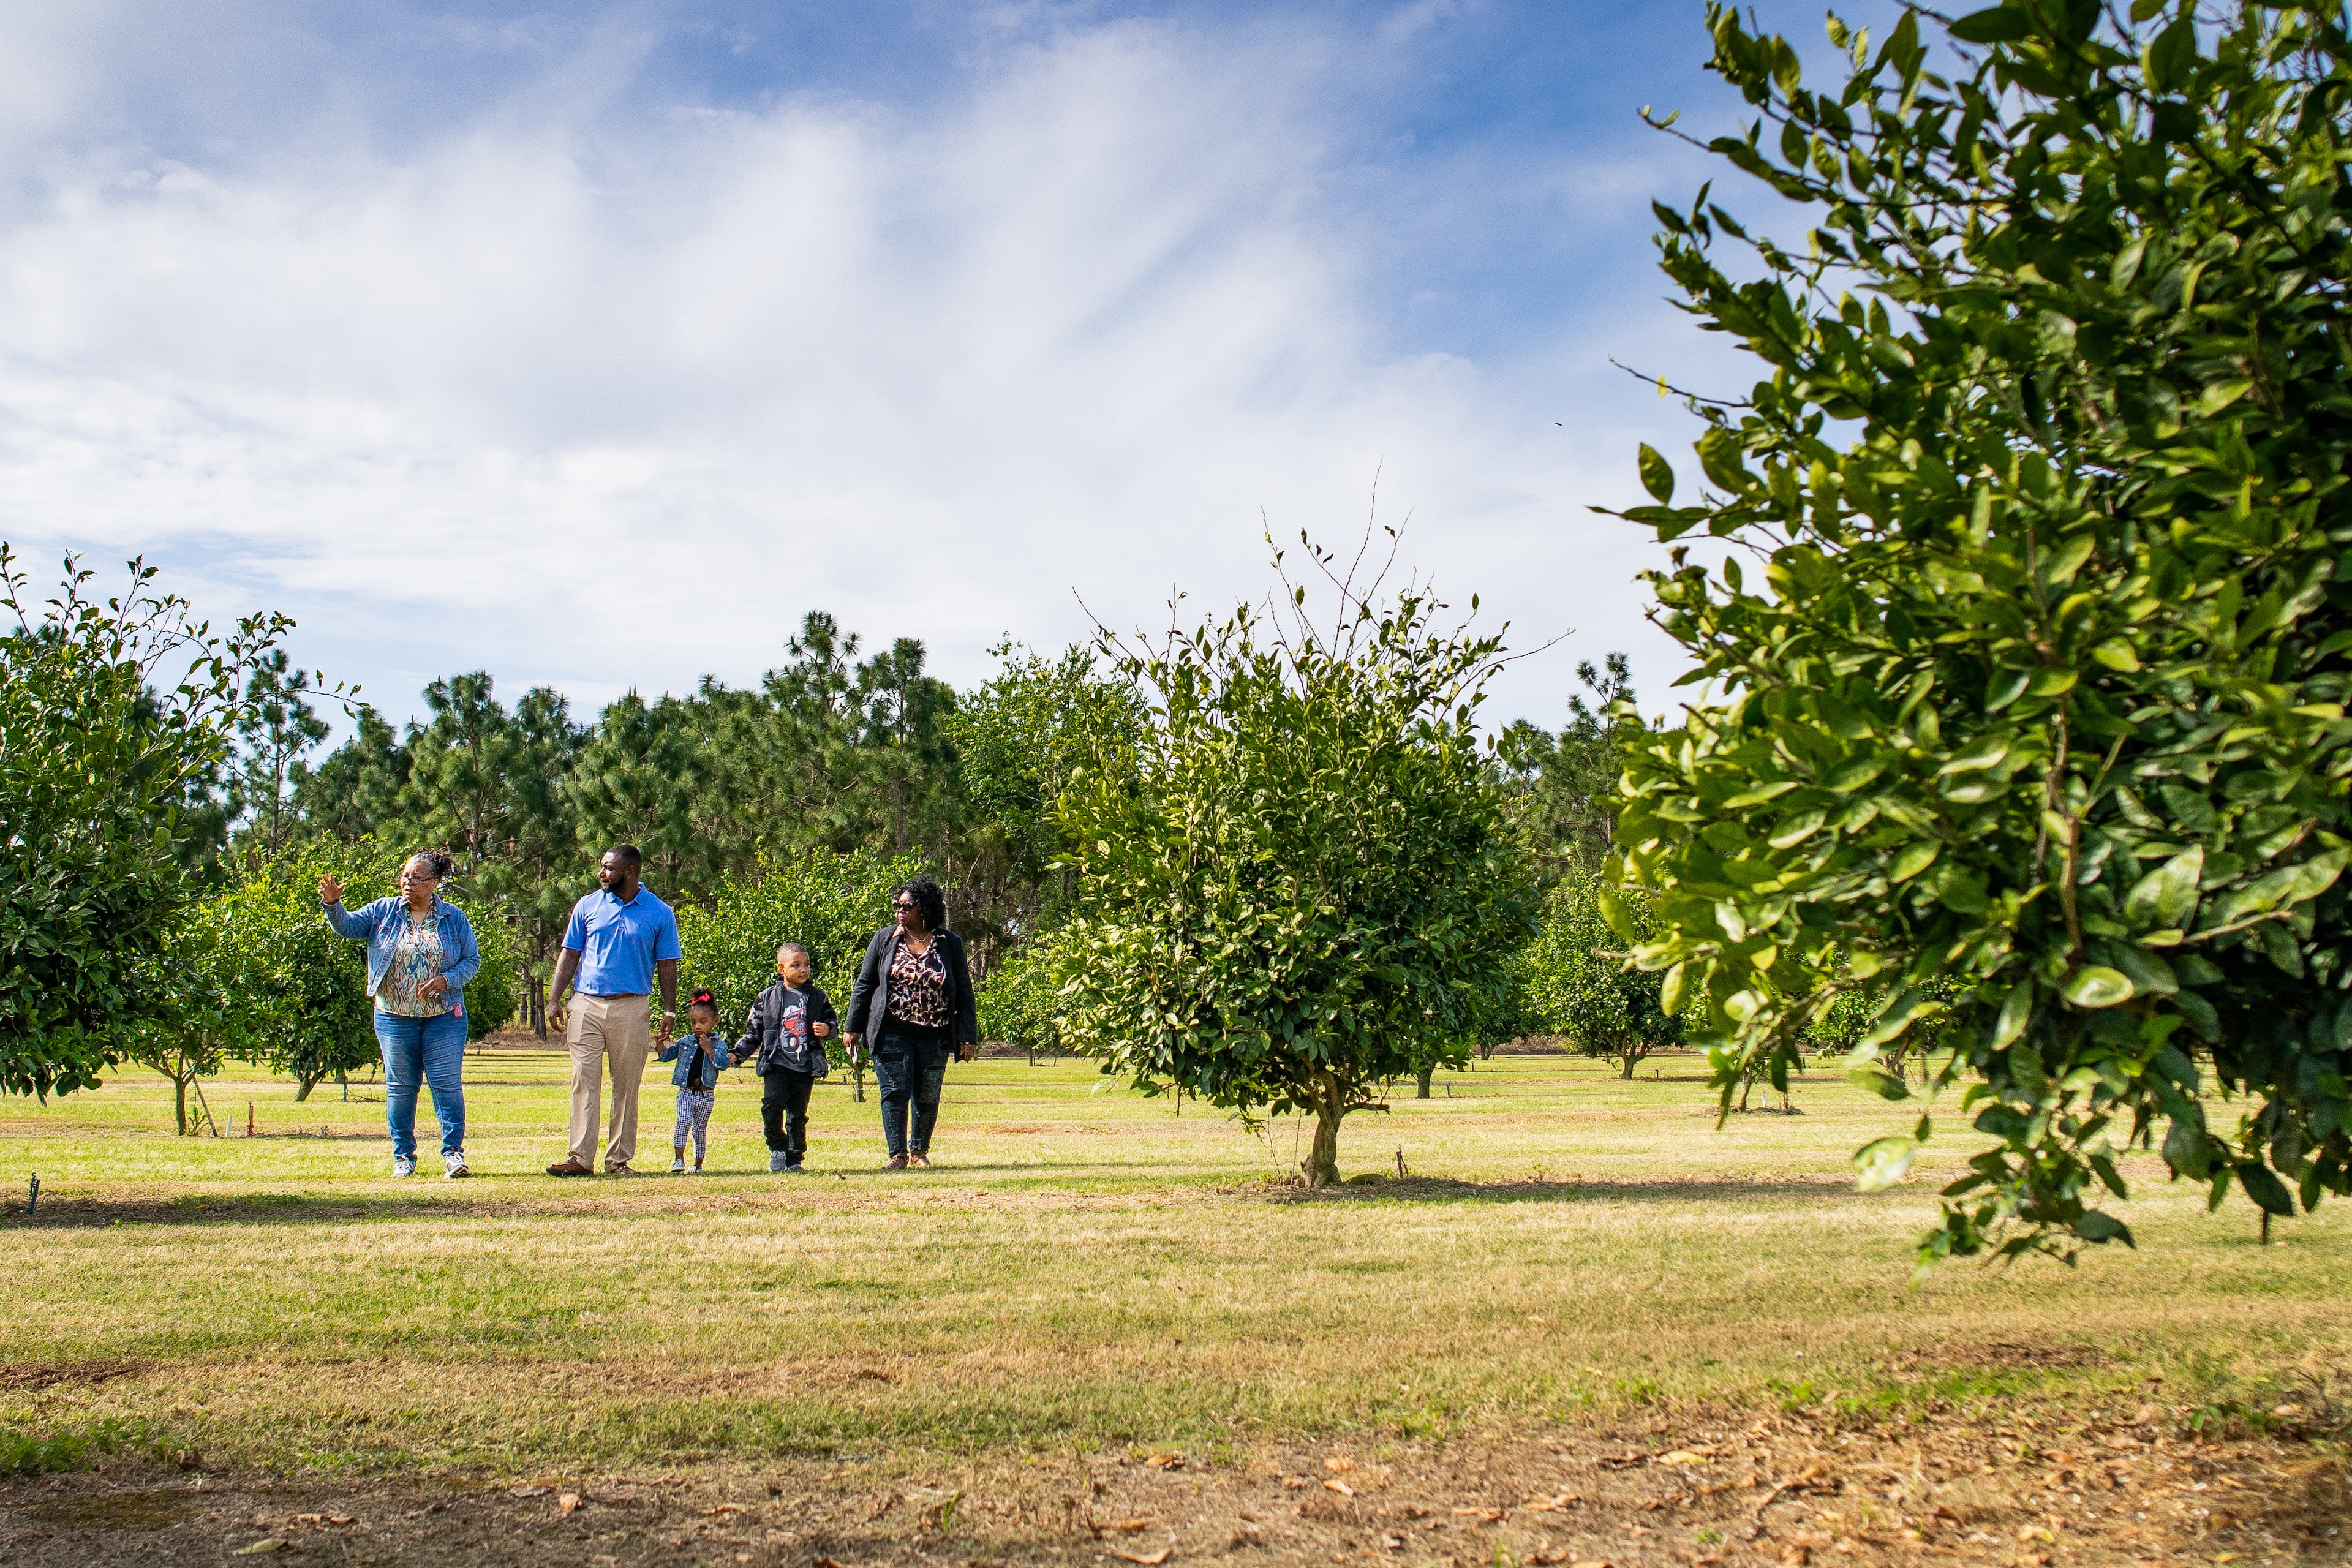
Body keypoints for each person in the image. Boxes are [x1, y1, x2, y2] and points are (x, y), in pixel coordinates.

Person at [320, 852, 483, 1178]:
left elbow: (472, 961)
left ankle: (453, 1154)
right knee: (401, 1087)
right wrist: (333, 906)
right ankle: (403, 1158)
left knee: (446, 1085)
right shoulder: (384, 911)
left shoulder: (454, 918)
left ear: (434, 883)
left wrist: (445, 980)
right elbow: (349, 927)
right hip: (394, 1016)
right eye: (405, 876)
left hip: (444, 1017)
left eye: (417, 878)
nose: (408, 882)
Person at [544, 845, 681, 1177]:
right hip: (586, 1003)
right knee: (584, 1081)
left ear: (631, 872)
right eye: (602, 866)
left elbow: (667, 964)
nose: (601, 873)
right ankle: (579, 1158)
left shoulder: (659, 913)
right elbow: (569, 955)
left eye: (608, 868)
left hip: (632, 1006)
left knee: (626, 1085)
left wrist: (669, 1011)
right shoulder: (587, 905)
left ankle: (618, 1160)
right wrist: (554, 999)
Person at [845, 878, 977, 1169]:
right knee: (894, 1089)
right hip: (892, 1028)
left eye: (907, 906)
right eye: (897, 906)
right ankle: (898, 1154)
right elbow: (864, 985)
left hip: (937, 1033)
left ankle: (919, 1151)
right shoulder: (885, 938)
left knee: (927, 1095)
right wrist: (851, 1027)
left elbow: (964, 992)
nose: (900, 912)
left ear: (926, 909)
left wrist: (968, 1036)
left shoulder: (950, 944)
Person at [734, 943, 837, 1173]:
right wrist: (738, 1054)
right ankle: (777, 1149)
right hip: (776, 1062)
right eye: (796, 965)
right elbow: (754, 1032)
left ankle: (794, 1158)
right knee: (772, 1104)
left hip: (805, 1064)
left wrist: (827, 1030)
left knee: (797, 1114)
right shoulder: (767, 997)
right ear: (781, 969)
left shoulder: (818, 997)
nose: (803, 970)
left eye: (807, 965)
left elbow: (832, 1022)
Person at [655, 990, 728, 1174]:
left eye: (703, 1022)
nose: (697, 1027)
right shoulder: (685, 1042)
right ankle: (678, 1160)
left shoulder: (719, 1045)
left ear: (714, 1022)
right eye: (693, 1022)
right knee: (683, 1120)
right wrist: (660, 1044)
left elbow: (723, 1064)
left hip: (706, 1095)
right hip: (686, 1092)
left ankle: (697, 1165)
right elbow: (666, 1056)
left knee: (699, 1131)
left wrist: (710, 1050)